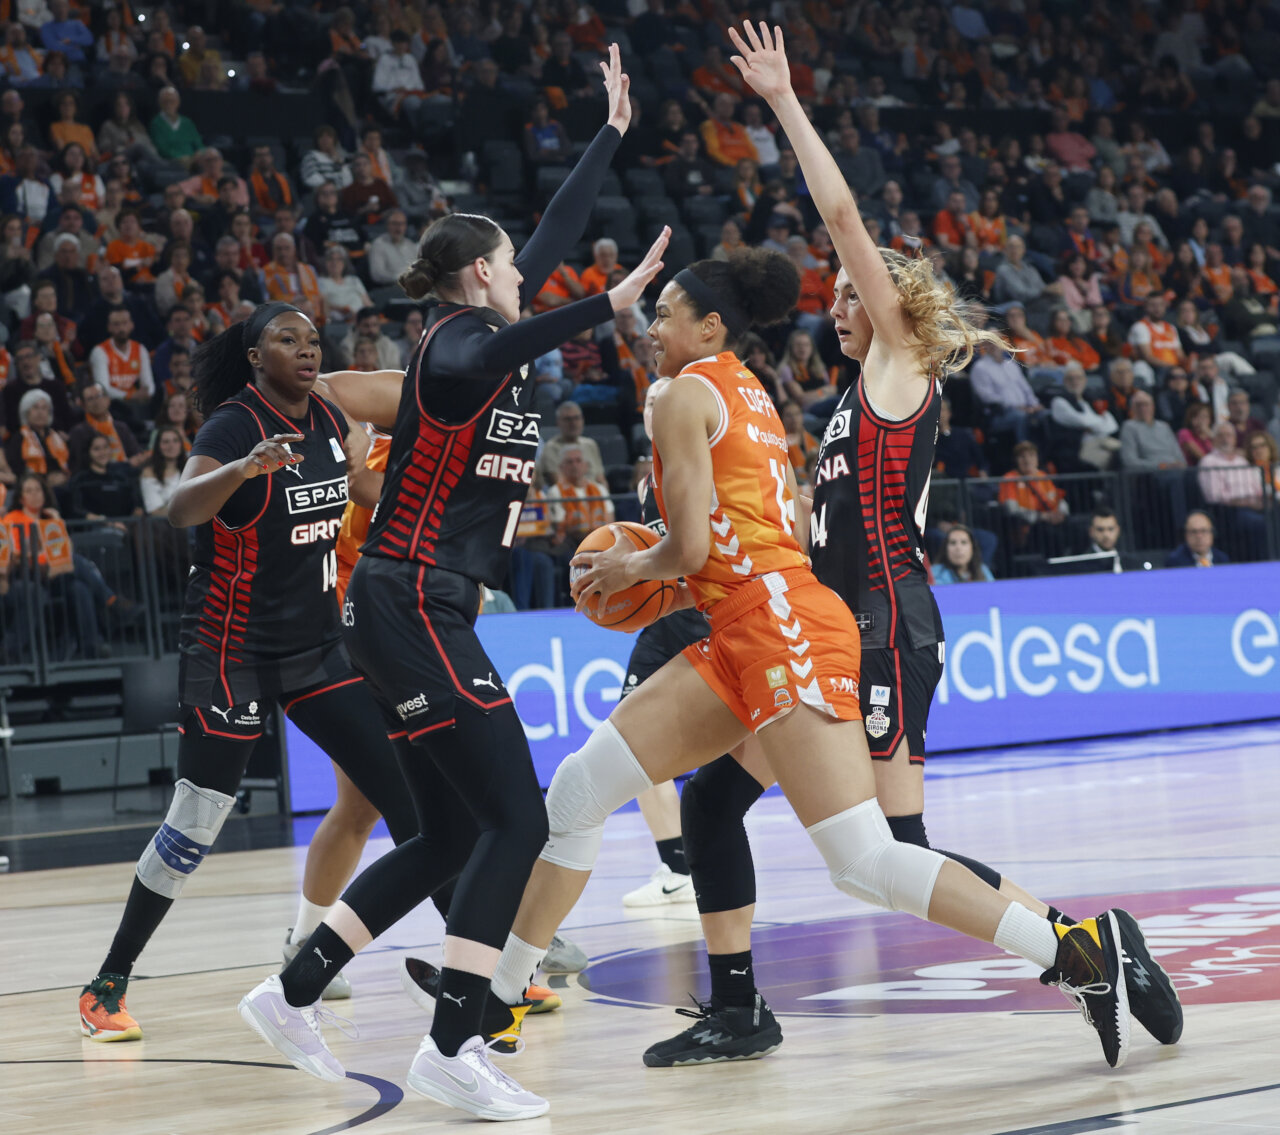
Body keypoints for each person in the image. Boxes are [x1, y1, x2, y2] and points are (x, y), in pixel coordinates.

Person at [239, 48, 668, 1121]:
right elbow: (521, 326)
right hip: (412, 596)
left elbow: (554, 244)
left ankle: (290, 990)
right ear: (481, 273)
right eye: (510, 261)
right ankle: (451, 1043)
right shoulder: (454, 348)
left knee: (441, 832)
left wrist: (608, 133)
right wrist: (603, 307)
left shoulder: (489, 333)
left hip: (413, 604)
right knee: (514, 822)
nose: (526, 265)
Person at [76, 303, 424, 1042]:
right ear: (254, 355)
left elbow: (360, 493)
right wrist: (243, 468)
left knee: (409, 798)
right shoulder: (234, 424)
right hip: (228, 651)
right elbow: (177, 509)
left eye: (311, 340)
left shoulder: (328, 416)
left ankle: (479, 968)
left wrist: (431, 501)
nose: (305, 349)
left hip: (316, 648)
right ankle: (107, 982)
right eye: (286, 340)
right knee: (195, 823)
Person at [535, 400, 605, 486]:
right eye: (568, 419)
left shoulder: (590, 444)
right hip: (568, 496)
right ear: (558, 423)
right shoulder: (550, 448)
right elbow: (558, 483)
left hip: (595, 495)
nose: (573, 423)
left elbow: (601, 479)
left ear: (582, 420)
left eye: (576, 418)